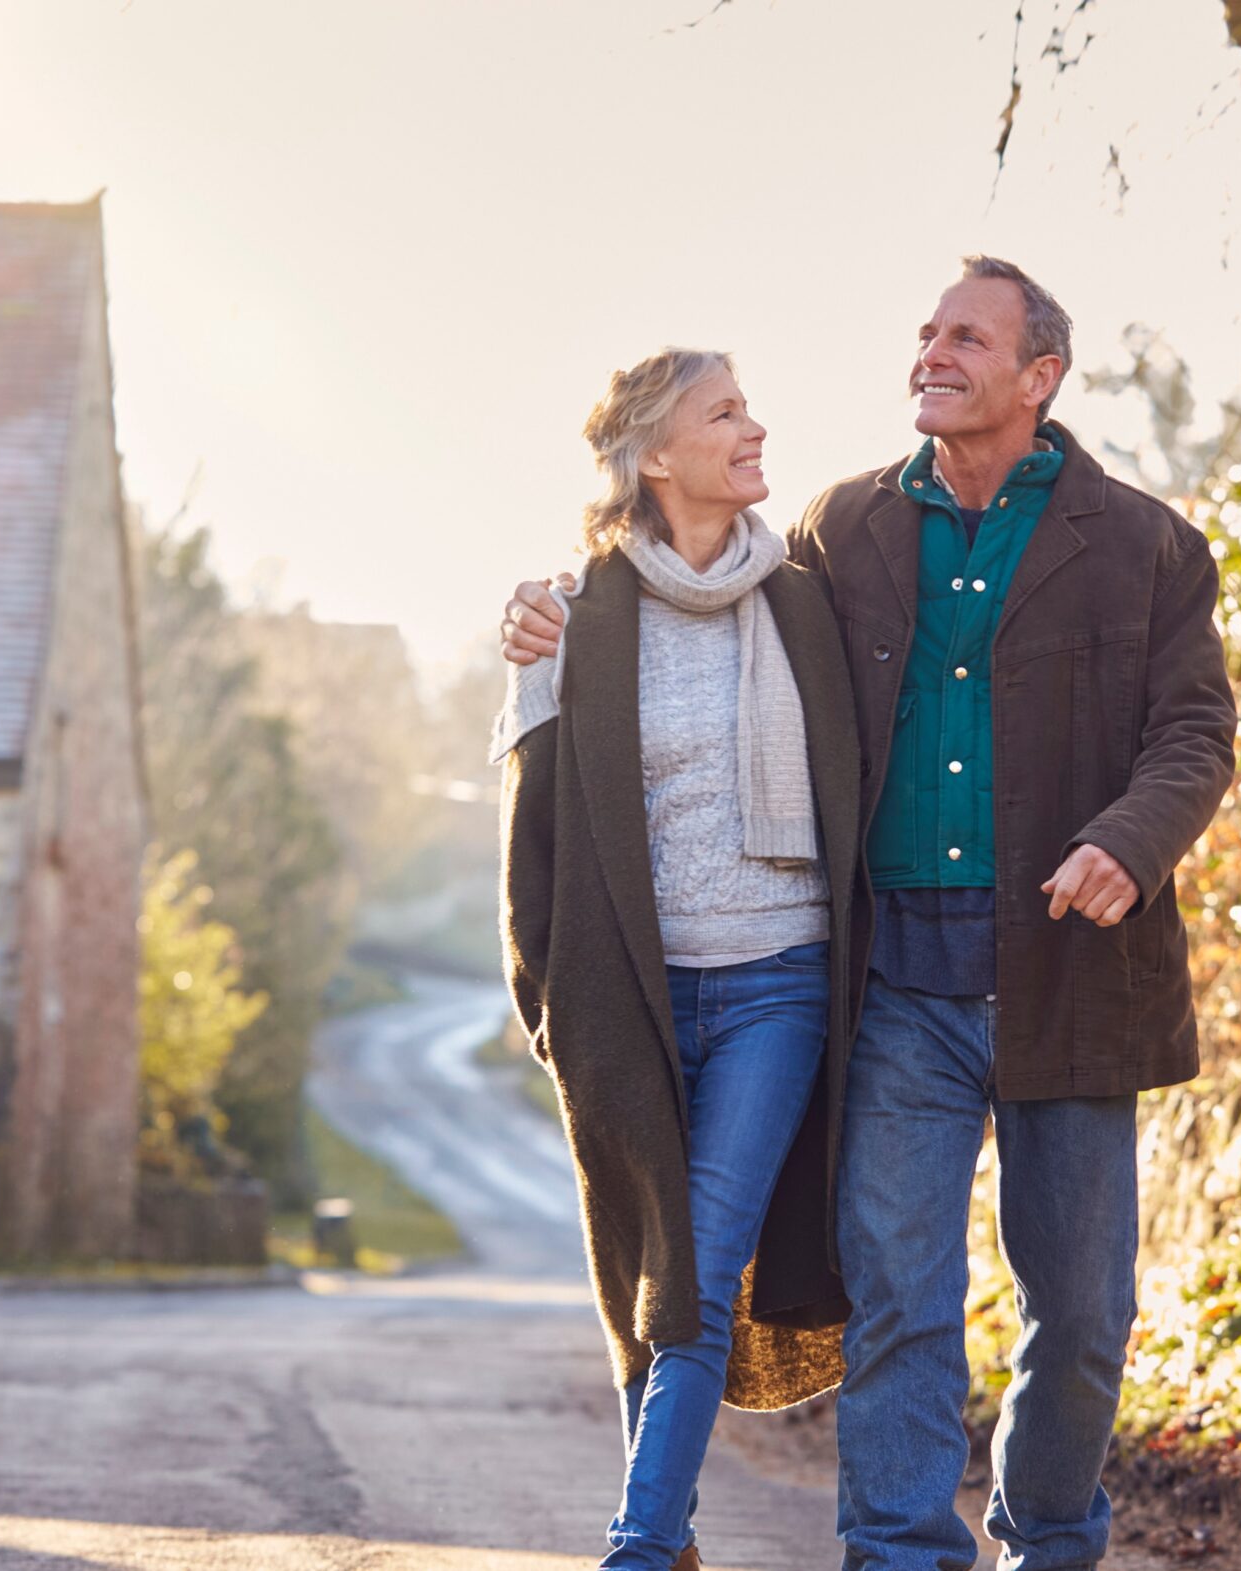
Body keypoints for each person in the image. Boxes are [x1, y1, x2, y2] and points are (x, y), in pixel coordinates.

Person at [505, 257, 1238, 1571]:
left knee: (1078, 1311)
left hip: (1072, 980)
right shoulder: (843, 532)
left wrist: (1128, 840)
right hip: (893, 984)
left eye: (969, 337)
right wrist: (554, 602)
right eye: (926, 332)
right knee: (898, 1294)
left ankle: (1049, 1537)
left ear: (1038, 375)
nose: (932, 351)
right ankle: (898, 1548)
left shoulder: (1143, 545)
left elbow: (1194, 733)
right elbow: (694, 595)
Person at [494, 347, 863, 1571]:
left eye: (749, 406)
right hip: (631, 1010)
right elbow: (532, 844)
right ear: (656, 455)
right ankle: (669, 1535)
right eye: (725, 414)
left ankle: (638, 1546)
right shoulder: (571, 618)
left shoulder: (807, 600)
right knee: (641, 1284)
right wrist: (553, 1015)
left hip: (777, 985)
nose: (755, 428)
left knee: (695, 1273)